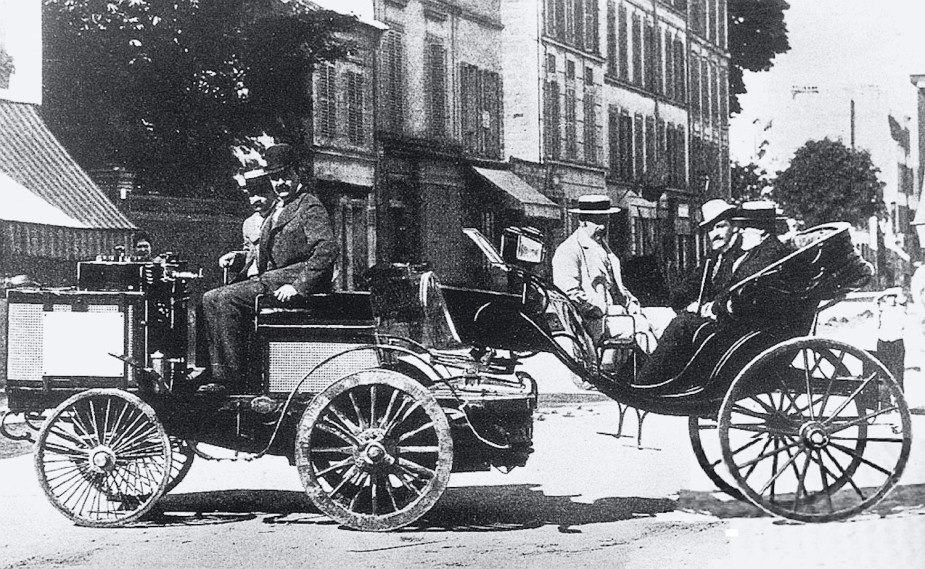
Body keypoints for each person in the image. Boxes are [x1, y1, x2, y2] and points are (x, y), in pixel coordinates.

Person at [200, 143, 338, 393]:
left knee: (228, 298)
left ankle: (234, 380)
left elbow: (326, 249)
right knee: (210, 298)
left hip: (288, 279)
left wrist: (298, 286)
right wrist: (240, 259)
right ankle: (216, 372)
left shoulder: (309, 205)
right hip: (270, 277)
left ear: (298, 174)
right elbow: (265, 253)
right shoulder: (277, 209)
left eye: (286, 176)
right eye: (275, 178)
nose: (281, 183)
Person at [635, 201, 791, 386]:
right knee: (670, 319)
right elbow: (699, 284)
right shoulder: (756, 252)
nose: (740, 232)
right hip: (741, 324)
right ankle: (649, 377)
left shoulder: (768, 254)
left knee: (682, 324)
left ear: (761, 230)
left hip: (749, 332)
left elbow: (744, 290)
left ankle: (647, 382)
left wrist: (712, 308)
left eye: (744, 227)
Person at [552, 194, 657, 353]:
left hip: (615, 317)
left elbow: (617, 287)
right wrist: (607, 309)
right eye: (597, 221)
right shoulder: (569, 251)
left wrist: (631, 303)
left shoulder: (602, 248)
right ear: (582, 221)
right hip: (591, 324)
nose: (602, 227)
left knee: (665, 318)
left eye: (605, 221)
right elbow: (569, 295)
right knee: (642, 329)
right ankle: (652, 375)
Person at [668, 198, 741, 316]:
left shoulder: (741, 254)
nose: (715, 234)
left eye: (720, 227)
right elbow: (695, 282)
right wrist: (672, 300)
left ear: (734, 227)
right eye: (710, 229)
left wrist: (703, 308)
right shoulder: (713, 257)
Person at [219, 172, 275, 280]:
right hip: (252, 277)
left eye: (261, 194)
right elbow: (251, 253)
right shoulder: (249, 223)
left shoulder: (280, 217)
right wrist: (235, 257)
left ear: (273, 193)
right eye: (251, 195)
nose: (256, 199)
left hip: (272, 277)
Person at [876, 287, 906, 390]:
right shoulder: (881, 309)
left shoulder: (901, 309)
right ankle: (885, 399)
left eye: (894, 297)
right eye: (889, 297)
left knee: (898, 371)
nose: (892, 299)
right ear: (885, 298)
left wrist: (889, 292)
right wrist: (884, 293)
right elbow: (875, 300)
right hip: (883, 342)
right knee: (883, 371)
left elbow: (900, 291)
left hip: (896, 342)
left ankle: (899, 399)